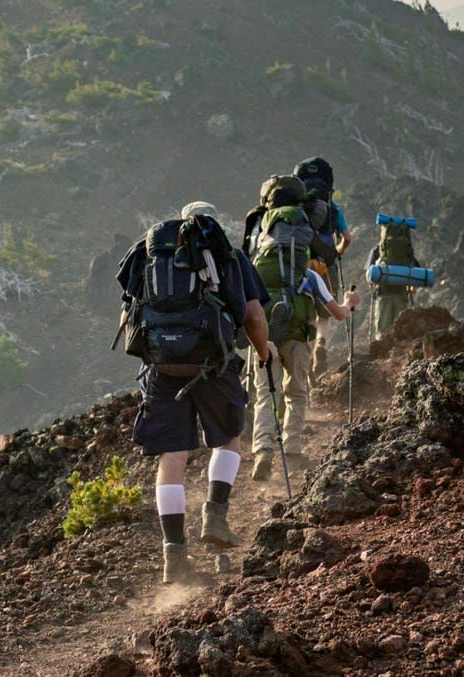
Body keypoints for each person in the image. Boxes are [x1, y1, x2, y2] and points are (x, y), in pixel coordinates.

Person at [117, 203, 274, 584]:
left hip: (163, 370)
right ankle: (214, 515)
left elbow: (127, 319)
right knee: (228, 440)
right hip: (213, 365)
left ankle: (174, 557)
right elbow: (253, 317)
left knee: (172, 457)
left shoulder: (148, 256)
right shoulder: (228, 255)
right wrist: (263, 352)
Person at [248, 204, 361, 481]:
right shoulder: (308, 273)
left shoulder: (256, 268)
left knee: (265, 395)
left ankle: (263, 451)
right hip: (298, 339)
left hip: (265, 340)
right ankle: (292, 451)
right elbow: (335, 313)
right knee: (296, 394)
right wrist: (350, 303)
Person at [294, 157, 352, 375]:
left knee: (306, 314)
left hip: (300, 264)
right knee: (325, 314)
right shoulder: (333, 208)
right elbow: (347, 238)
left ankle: (307, 355)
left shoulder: (296, 208)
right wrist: (336, 252)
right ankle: (321, 344)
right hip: (325, 265)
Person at [368, 214, 423, 343]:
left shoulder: (378, 250)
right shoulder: (407, 251)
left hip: (383, 294)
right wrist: (411, 287)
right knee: (401, 332)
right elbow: (416, 273)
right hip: (401, 295)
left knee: (382, 333)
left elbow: (369, 275)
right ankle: (397, 357)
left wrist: (373, 285)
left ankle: (381, 356)